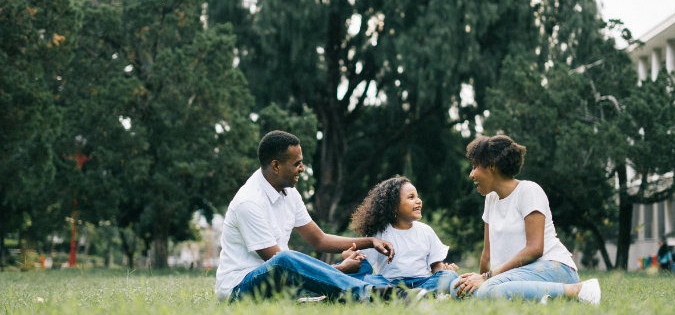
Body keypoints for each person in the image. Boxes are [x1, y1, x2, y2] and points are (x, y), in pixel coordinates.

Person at [215, 130, 419, 303]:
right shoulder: (249, 202)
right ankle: (368, 293)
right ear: (276, 166)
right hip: (240, 288)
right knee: (284, 258)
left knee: (361, 265)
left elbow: (319, 240)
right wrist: (339, 269)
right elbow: (279, 264)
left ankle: (388, 289)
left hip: (282, 280)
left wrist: (371, 241)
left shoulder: (289, 193)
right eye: (297, 164)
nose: (302, 169)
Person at [452, 135, 601, 305]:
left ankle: (578, 290)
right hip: (515, 275)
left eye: (474, 167)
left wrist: (487, 278)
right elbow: (487, 255)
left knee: (490, 289)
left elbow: (535, 249)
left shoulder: (529, 191)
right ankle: (540, 297)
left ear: (492, 165)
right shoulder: (491, 199)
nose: (471, 174)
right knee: (457, 289)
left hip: (553, 267)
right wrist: (478, 281)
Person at [344, 176, 459, 294]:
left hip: (423, 282)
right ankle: (404, 295)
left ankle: (415, 294)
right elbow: (364, 264)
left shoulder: (426, 231)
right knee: (371, 280)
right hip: (390, 284)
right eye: (411, 197)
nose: (418, 200)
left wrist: (443, 272)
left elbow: (435, 264)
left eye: (417, 196)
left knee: (450, 276)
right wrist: (350, 256)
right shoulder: (379, 233)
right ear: (393, 207)